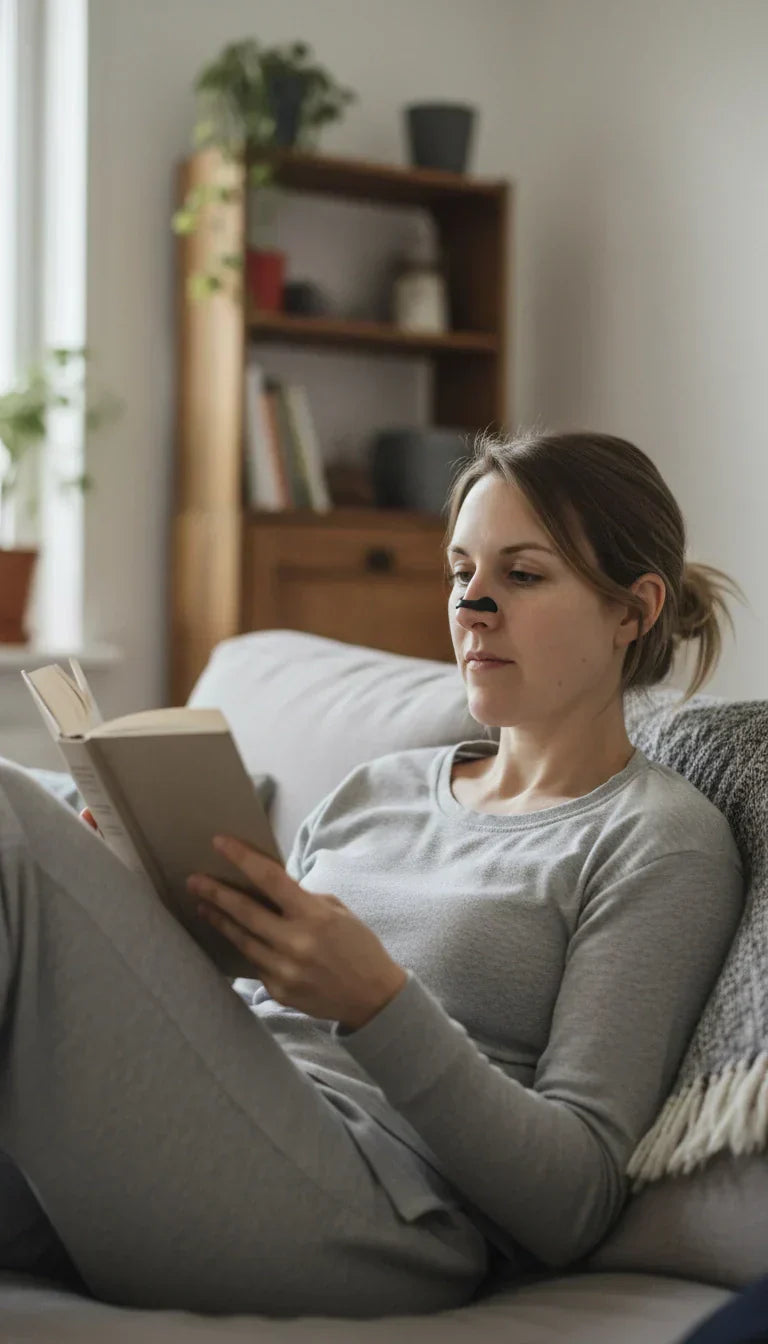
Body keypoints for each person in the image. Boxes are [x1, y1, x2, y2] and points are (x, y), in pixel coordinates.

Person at [0, 431, 748, 1320]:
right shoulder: (380, 788)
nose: (472, 602)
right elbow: (246, 1012)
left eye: (523, 574)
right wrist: (136, 909)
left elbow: (576, 1201)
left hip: (375, 1213)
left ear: (634, 611)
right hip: (223, 1129)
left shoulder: (657, 842)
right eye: (460, 570)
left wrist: (379, 1004)